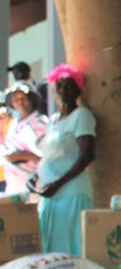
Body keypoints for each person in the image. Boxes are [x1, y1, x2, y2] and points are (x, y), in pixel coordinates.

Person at [32, 64, 96, 254]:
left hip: (70, 192)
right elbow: (50, 154)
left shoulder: (82, 116)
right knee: (49, 249)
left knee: (69, 249)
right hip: (50, 194)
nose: (63, 90)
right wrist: (36, 178)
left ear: (78, 89)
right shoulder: (53, 120)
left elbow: (87, 156)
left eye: (69, 85)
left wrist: (58, 184)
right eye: (59, 85)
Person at [3, 81, 48, 196]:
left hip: (33, 184)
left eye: (24, 98)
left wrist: (23, 156)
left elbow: (48, 157)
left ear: (32, 100)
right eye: (16, 99)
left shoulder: (41, 122)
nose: (20, 102)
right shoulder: (13, 124)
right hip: (12, 186)